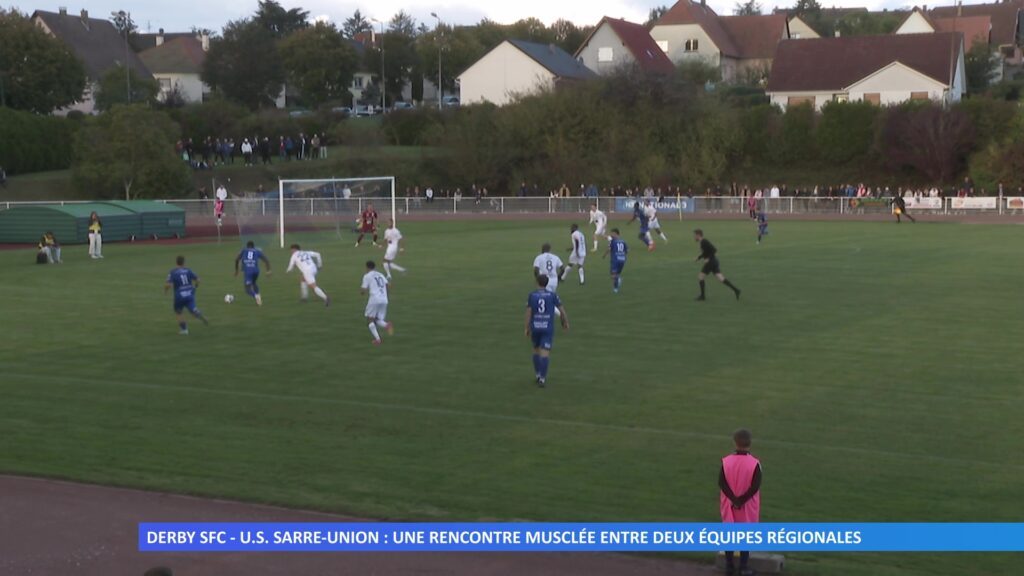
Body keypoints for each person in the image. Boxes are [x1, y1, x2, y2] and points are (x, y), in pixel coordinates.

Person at [719, 428, 762, 576]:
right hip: (747, 506)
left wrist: (733, 499)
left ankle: (729, 566)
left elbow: (722, 483)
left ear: (734, 442)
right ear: (750, 444)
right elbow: (755, 485)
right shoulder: (755, 464)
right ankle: (743, 566)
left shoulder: (726, 461)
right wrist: (741, 501)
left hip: (729, 504)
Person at [525, 274, 569, 388]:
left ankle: (538, 375)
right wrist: (565, 322)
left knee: (536, 351)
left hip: (535, 326)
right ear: (547, 283)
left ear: (536, 282)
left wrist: (527, 327)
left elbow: (528, 313)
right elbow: (562, 311)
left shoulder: (532, 295)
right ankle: (542, 379)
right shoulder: (552, 295)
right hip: (547, 327)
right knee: (544, 353)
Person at [164, 256, 208, 335]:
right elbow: (198, 280)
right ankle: (196, 312)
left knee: (179, 312)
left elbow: (168, 285)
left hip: (179, 296)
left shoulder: (173, 272)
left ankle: (184, 330)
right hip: (190, 294)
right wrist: (194, 288)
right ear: (184, 262)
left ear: (176, 262)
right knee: (192, 308)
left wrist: (166, 291)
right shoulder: (188, 270)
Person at [694, 230, 741, 301]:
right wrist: (699, 257)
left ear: (698, 235)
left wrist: (708, 259)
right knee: (721, 278)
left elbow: (714, 250)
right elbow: (706, 252)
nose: (694, 237)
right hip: (714, 262)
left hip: (711, 262)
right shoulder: (702, 242)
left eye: (695, 235)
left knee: (701, 277)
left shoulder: (704, 241)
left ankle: (702, 296)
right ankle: (736, 290)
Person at [361, 261, 394, 345]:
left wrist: (362, 292)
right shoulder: (380, 274)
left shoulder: (367, 276)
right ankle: (386, 325)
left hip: (374, 299)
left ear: (367, 267)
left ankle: (378, 339)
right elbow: (387, 285)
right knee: (377, 319)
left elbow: (363, 290)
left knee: (370, 319)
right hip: (384, 299)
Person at [234, 241, 272, 306]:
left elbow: (237, 259)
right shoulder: (257, 251)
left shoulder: (244, 250)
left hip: (248, 271)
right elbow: (266, 260)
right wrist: (268, 271)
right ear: (253, 246)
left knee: (247, 289)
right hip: (256, 271)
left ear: (247, 246)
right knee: (254, 283)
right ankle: (258, 296)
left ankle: (255, 296)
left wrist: (237, 270)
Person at [602, 228, 628, 293]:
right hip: (622, 260)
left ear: (616, 234)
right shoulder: (623, 241)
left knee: (613, 275)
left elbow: (609, 249)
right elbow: (626, 251)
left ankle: (615, 288)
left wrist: (604, 255)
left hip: (615, 260)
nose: (611, 235)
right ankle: (618, 281)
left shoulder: (613, 241)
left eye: (612, 233)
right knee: (617, 274)